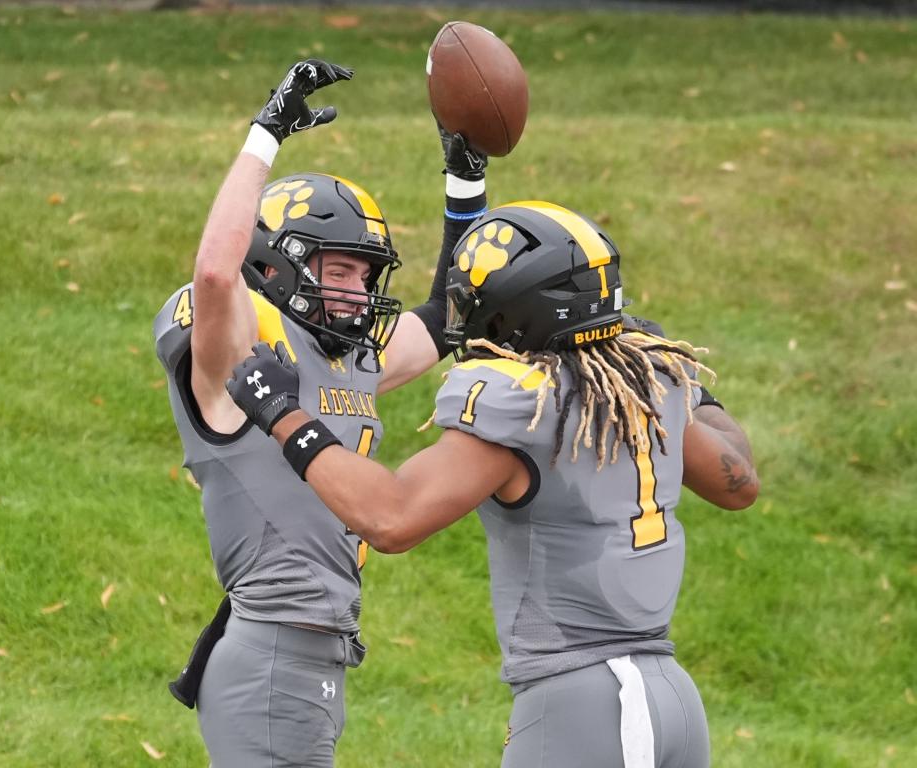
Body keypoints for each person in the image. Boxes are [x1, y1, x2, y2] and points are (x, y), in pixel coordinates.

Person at [226, 201, 760, 768]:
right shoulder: (639, 387)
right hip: (672, 698)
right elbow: (739, 483)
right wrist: (688, 387)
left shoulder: (522, 407)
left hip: (583, 707)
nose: (465, 317)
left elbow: (390, 518)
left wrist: (284, 415)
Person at [153, 58, 492, 767]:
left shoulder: (348, 359)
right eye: (340, 270)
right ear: (275, 263)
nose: (359, 291)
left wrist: (466, 182)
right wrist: (267, 131)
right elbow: (216, 273)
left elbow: (450, 318)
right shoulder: (239, 357)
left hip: (309, 650)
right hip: (274, 648)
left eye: (367, 274)